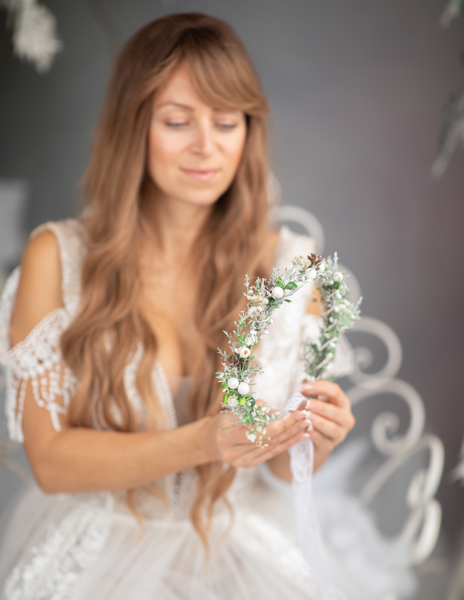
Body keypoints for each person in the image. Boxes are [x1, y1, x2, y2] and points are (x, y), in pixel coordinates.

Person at [0, 13, 355, 600]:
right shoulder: (56, 256)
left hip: (239, 550)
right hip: (99, 555)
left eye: (225, 122)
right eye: (176, 121)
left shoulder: (292, 268)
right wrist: (200, 440)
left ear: (249, 131)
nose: (205, 148)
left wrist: (312, 441)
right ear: (132, 127)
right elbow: (52, 463)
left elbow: (275, 467)